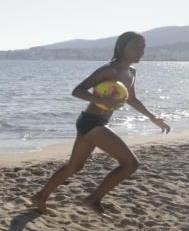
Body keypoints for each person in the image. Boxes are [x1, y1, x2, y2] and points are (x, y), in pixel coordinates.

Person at [31, 31, 171, 214]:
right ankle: (93, 199)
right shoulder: (108, 70)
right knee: (130, 164)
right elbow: (77, 91)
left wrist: (153, 118)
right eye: (136, 46)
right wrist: (104, 102)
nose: (141, 51)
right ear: (122, 47)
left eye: (143, 47)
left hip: (92, 123)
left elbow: (132, 99)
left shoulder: (131, 72)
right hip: (91, 122)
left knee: (75, 166)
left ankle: (40, 196)